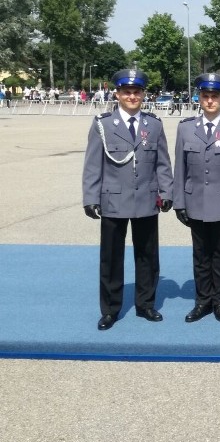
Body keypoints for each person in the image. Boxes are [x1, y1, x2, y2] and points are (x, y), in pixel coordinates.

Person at [82, 69, 174, 330]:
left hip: (146, 199)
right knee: (111, 257)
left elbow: (162, 163)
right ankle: (110, 309)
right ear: (118, 94)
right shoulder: (103, 124)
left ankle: (145, 304)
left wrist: (166, 192)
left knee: (147, 255)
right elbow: (92, 164)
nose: (132, 96)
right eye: (127, 92)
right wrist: (90, 197)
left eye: (137, 92)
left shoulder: (154, 124)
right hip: (113, 200)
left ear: (143, 94)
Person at [173, 73, 220, 323]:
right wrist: (178, 202)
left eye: (214, 96)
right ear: (199, 98)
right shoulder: (185, 128)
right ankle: (202, 301)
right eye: (205, 96)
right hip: (194, 201)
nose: (209, 101)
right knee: (200, 255)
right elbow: (180, 168)